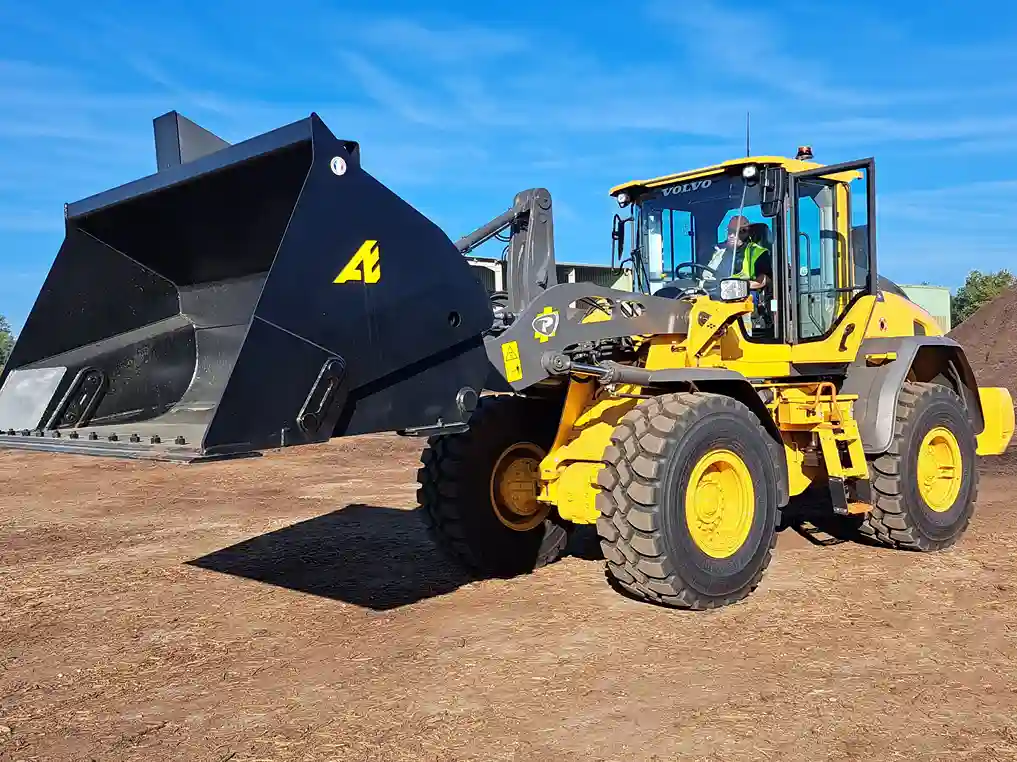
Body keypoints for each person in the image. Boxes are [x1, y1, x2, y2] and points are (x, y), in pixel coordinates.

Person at [705, 215, 771, 292]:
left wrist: (741, 285)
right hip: (717, 293)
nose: (731, 236)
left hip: (744, 295)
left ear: (746, 233)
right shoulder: (718, 252)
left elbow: (766, 279)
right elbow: (707, 275)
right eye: (730, 232)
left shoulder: (757, 252)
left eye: (736, 232)